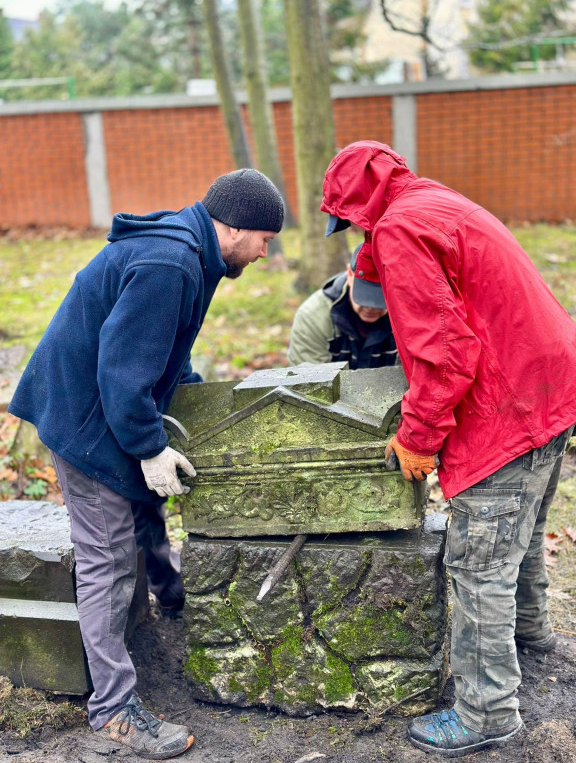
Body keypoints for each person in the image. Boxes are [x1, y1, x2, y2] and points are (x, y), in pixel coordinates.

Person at [9, 169, 284, 760]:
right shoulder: (170, 263)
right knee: (107, 559)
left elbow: (167, 349)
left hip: (105, 404)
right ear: (235, 227)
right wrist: (148, 447)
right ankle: (113, 709)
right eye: (265, 239)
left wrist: (196, 403)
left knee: (146, 510)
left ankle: (172, 598)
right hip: (86, 416)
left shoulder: (195, 255)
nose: (266, 253)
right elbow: (122, 371)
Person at [321, 140, 576, 758]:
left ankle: (487, 712)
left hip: (505, 405)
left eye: (352, 222)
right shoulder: (432, 202)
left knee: (480, 563)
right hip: (549, 385)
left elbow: (445, 353)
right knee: (520, 533)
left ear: (359, 206)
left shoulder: (401, 230)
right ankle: (531, 632)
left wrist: (418, 436)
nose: (356, 232)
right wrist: (375, 255)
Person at [287, 244, 397, 368]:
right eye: (364, 295)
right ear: (350, 274)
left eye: (379, 298)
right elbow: (309, 377)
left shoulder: (408, 317)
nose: (371, 307)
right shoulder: (313, 317)